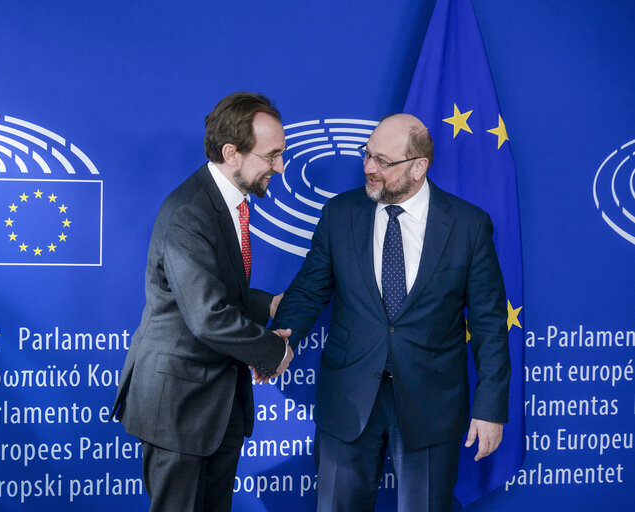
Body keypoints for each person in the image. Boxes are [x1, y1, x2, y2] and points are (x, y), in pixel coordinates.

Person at [269, 113, 510, 512]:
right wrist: (278, 339)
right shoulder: (340, 214)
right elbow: (310, 289)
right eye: (367, 155)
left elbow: (488, 324)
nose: (368, 167)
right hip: (348, 397)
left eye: (383, 161)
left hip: (432, 402)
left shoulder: (468, 225)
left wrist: (490, 408)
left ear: (419, 167)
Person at [109, 92, 294, 512]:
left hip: (217, 404)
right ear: (232, 153)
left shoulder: (227, 202)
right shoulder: (190, 212)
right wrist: (274, 351)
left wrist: (268, 306)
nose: (279, 167)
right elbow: (208, 316)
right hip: (180, 407)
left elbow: (218, 287)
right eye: (271, 156)